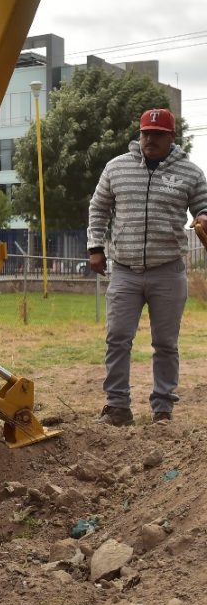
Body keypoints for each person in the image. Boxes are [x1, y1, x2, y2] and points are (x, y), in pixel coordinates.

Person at [87, 107, 207, 426]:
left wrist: (204, 218)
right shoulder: (116, 168)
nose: (149, 139)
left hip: (168, 270)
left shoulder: (190, 173)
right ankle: (117, 407)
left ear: (171, 137)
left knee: (165, 343)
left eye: (157, 135)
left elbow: (204, 206)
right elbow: (99, 207)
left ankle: (163, 407)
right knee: (117, 337)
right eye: (145, 133)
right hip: (124, 269)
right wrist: (95, 247)